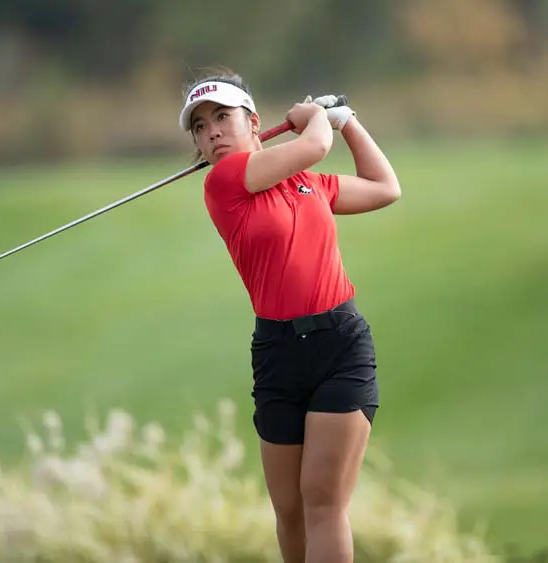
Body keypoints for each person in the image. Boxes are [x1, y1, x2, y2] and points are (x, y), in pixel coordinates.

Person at [178, 68, 401, 563]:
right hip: (278, 353)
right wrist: (319, 118)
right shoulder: (223, 183)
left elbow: (385, 187)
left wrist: (348, 122)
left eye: (222, 117)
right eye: (199, 126)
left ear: (253, 122)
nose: (211, 131)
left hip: (340, 345)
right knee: (290, 512)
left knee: (323, 501)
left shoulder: (309, 184)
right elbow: (313, 144)